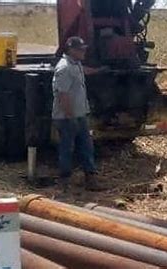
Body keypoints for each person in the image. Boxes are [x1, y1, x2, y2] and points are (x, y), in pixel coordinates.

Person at [52, 36, 105, 194]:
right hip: (68, 117)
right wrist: (70, 116)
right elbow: (63, 95)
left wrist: (99, 70)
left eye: (84, 49)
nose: (84, 52)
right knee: (67, 148)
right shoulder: (64, 68)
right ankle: (64, 181)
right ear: (71, 50)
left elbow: (84, 71)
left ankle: (90, 179)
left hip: (80, 115)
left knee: (86, 146)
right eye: (81, 49)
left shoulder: (76, 64)